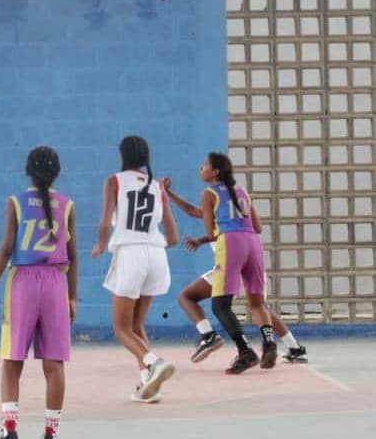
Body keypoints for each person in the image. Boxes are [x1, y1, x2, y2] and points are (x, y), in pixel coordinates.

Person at [162, 175, 308, 364]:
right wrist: (171, 195)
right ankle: (295, 348)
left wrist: (168, 194)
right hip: (251, 259)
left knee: (188, 297)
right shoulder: (239, 206)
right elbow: (255, 228)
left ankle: (210, 336)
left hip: (230, 264)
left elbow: (195, 213)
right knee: (261, 307)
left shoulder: (216, 205)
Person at [0, 146, 77, 439]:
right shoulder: (67, 205)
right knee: (54, 363)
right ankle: (51, 431)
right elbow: (73, 256)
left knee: (12, 359)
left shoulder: (16, 202)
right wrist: (72, 297)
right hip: (55, 283)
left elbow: (5, 248)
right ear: (57, 172)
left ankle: (10, 427)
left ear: (28, 170)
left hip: (23, 282)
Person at [91, 136, 178, 403]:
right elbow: (173, 237)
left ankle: (154, 362)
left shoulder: (114, 181)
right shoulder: (156, 186)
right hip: (157, 254)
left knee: (120, 328)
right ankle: (148, 384)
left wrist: (101, 243)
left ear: (122, 155)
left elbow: (105, 221)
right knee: (136, 324)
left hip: (131, 253)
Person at [180, 152, 278, 374]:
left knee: (220, 305)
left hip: (231, 245)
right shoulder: (242, 191)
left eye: (204, 165)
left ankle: (245, 352)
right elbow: (258, 227)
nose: (200, 168)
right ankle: (269, 344)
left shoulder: (208, 193)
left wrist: (202, 239)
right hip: (253, 244)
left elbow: (212, 233)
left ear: (214, 172)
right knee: (257, 302)